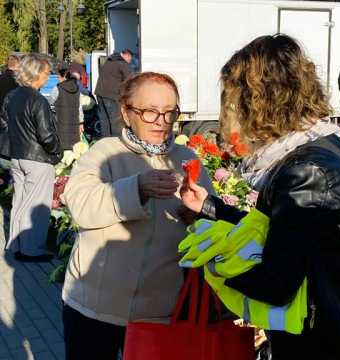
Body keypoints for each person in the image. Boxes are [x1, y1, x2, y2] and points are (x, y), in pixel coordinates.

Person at [180, 34, 340, 360]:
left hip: (321, 343)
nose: (231, 113)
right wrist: (209, 206)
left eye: (234, 101)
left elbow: (276, 283)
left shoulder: (305, 170)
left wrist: (214, 263)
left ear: (260, 101)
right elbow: (284, 233)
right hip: (326, 331)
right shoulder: (317, 148)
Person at [61, 71, 214, 359]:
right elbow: (79, 204)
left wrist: (197, 216)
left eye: (170, 113)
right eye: (150, 112)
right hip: (94, 307)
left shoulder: (187, 160)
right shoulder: (105, 152)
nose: (161, 122)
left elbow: (212, 221)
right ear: (126, 111)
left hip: (159, 313)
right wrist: (136, 189)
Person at [3, 54, 63, 262]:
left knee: (19, 201)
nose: (48, 77)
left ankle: (15, 244)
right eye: (46, 73)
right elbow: (46, 135)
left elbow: (3, 122)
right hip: (37, 157)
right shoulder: (38, 100)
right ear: (36, 73)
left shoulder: (12, 96)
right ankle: (32, 249)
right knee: (37, 205)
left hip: (17, 155)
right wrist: (57, 151)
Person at [94, 52, 131, 137]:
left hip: (100, 93)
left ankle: (105, 141)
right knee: (115, 121)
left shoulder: (109, 61)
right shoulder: (122, 63)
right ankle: (115, 142)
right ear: (127, 55)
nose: (129, 62)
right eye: (130, 60)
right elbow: (130, 80)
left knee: (104, 120)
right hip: (111, 96)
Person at [48, 68, 83, 150]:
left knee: (62, 147)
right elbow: (80, 107)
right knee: (74, 148)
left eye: (58, 77)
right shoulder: (77, 88)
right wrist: (81, 122)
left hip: (61, 122)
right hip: (74, 123)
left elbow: (50, 102)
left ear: (63, 77)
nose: (57, 79)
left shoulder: (58, 88)